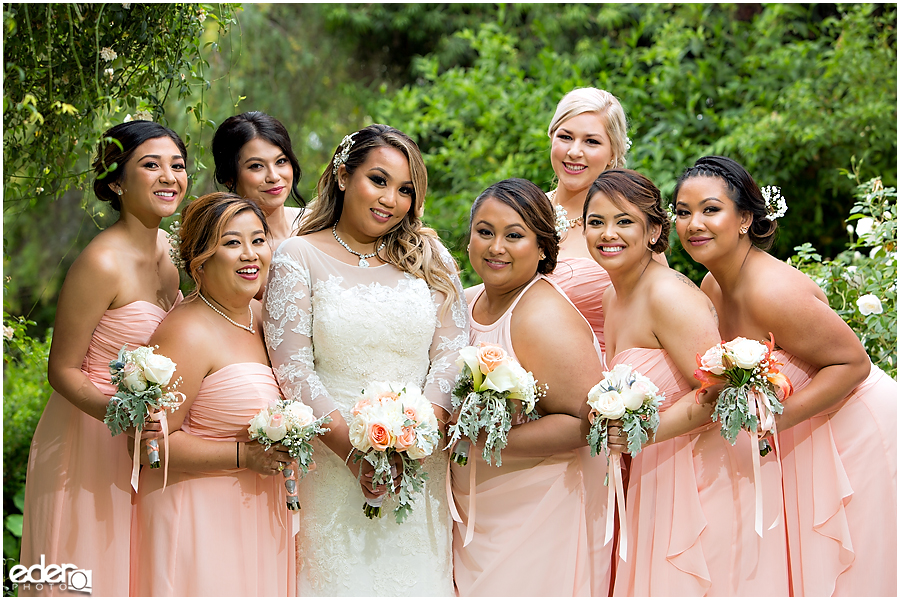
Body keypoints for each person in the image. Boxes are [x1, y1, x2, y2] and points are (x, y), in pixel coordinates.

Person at [673, 155, 897, 596]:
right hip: (807, 428)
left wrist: (772, 421)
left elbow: (854, 364)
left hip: (859, 426)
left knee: (863, 568)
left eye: (710, 209)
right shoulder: (711, 286)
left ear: (745, 220)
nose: (693, 223)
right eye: (683, 212)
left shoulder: (771, 292)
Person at [262, 124, 467, 596]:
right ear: (342, 175)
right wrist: (355, 454)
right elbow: (293, 370)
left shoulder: (430, 256)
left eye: (405, 190)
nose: (390, 199)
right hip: (332, 463)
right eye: (378, 180)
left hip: (419, 465)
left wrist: (417, 436)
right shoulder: (298, 255)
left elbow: (452, 354)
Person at [584, 169, 790, 595]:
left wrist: (644, 431)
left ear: (654, 229)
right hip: (654, 471)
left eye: (624, 221)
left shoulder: (669, 296)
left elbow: (720, 392)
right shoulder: (612, 294)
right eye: (596, 221)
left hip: (698, 479)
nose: (608, 234)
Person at [19, 120, 187, 596]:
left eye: (177, 165)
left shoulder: (170, 250)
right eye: (150, 165)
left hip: (147, 439)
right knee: (93, 566)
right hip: (90, 435)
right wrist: (123, 417)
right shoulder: (100, 263)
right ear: (116, 182)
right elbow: (62, 370)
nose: (169, 176)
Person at [450, 178, 614, 596]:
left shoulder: (543, 318)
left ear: (543, 247)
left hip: (541, 507)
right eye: (484, 232)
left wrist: (482, 440)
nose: (495, 247)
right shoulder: (466, 301)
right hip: (480, 509)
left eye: (514, 235)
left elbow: (586, 421)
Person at [131, 192, 295, 596]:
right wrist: (243, 455)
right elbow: (148, 448)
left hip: (262, 512)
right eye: (232, 243)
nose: (250, 254)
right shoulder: (186, 332)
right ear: (200, 260)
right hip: (200, 520)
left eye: (258, 240)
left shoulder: (266, 318)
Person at [212, 111, 305, 251]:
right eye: (256, 166)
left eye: (281, 161)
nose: (273, 177)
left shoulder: (318, 225)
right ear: (229, 178)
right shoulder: (222, 244)